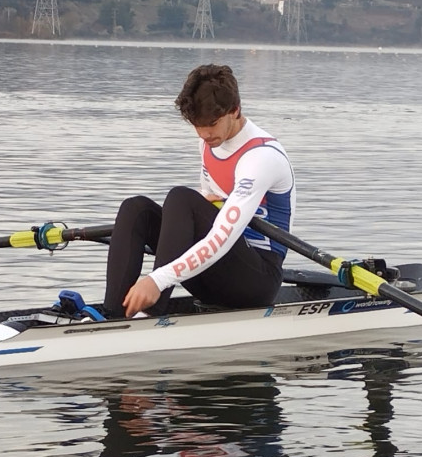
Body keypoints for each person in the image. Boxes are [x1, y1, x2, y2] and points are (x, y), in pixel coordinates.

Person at [103, 64, 294, 318]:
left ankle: (151, 313)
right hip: (214, 273)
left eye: (212, 124)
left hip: (256, 281)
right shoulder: (208, 143)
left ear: (235, 110)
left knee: (181, 198)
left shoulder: (261, 157)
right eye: (197, 125)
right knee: (136, 208)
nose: (204, 133)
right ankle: (113, 314)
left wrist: (157, 279)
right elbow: (205, 209)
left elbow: (221, 238)